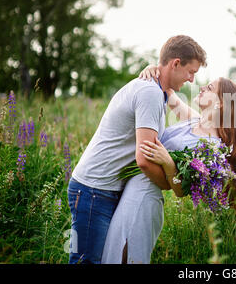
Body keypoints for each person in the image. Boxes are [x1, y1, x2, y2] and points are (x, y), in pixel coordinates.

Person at [67, 35, 207, 264]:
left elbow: (196, 121)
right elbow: (143, 159)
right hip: (94, 189)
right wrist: (168, 183)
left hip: (102, 189)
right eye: (191, 72)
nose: (191, 79)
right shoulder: (150, 93)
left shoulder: (157, 91)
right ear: (176, 63)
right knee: (85, 261)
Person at [100, 66, 236, 264]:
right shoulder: (194, 121)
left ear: (220, 104)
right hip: (130, 186)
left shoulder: (211, 149)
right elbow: (168, 91)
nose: (201, 88)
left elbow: (180, 189)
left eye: (209, 88)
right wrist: (153, 70)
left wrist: (168, 163)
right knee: (113, 252)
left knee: (125, 255)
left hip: (144, 196)